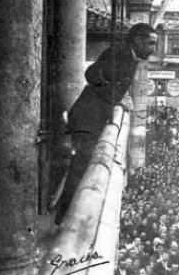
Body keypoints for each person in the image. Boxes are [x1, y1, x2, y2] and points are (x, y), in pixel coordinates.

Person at [55, 23, 157, 225]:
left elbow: (112, 81)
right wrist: (116, 97)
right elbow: (91, 74)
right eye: (151, 43)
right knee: (80, 168)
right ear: (138, 40)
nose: (154, 49)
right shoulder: (120, 53)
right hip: (87, 118)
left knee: (81, 167)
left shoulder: (131, 56)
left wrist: (118, 95)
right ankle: (64, 219)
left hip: (93, 117)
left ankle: (65, 216)